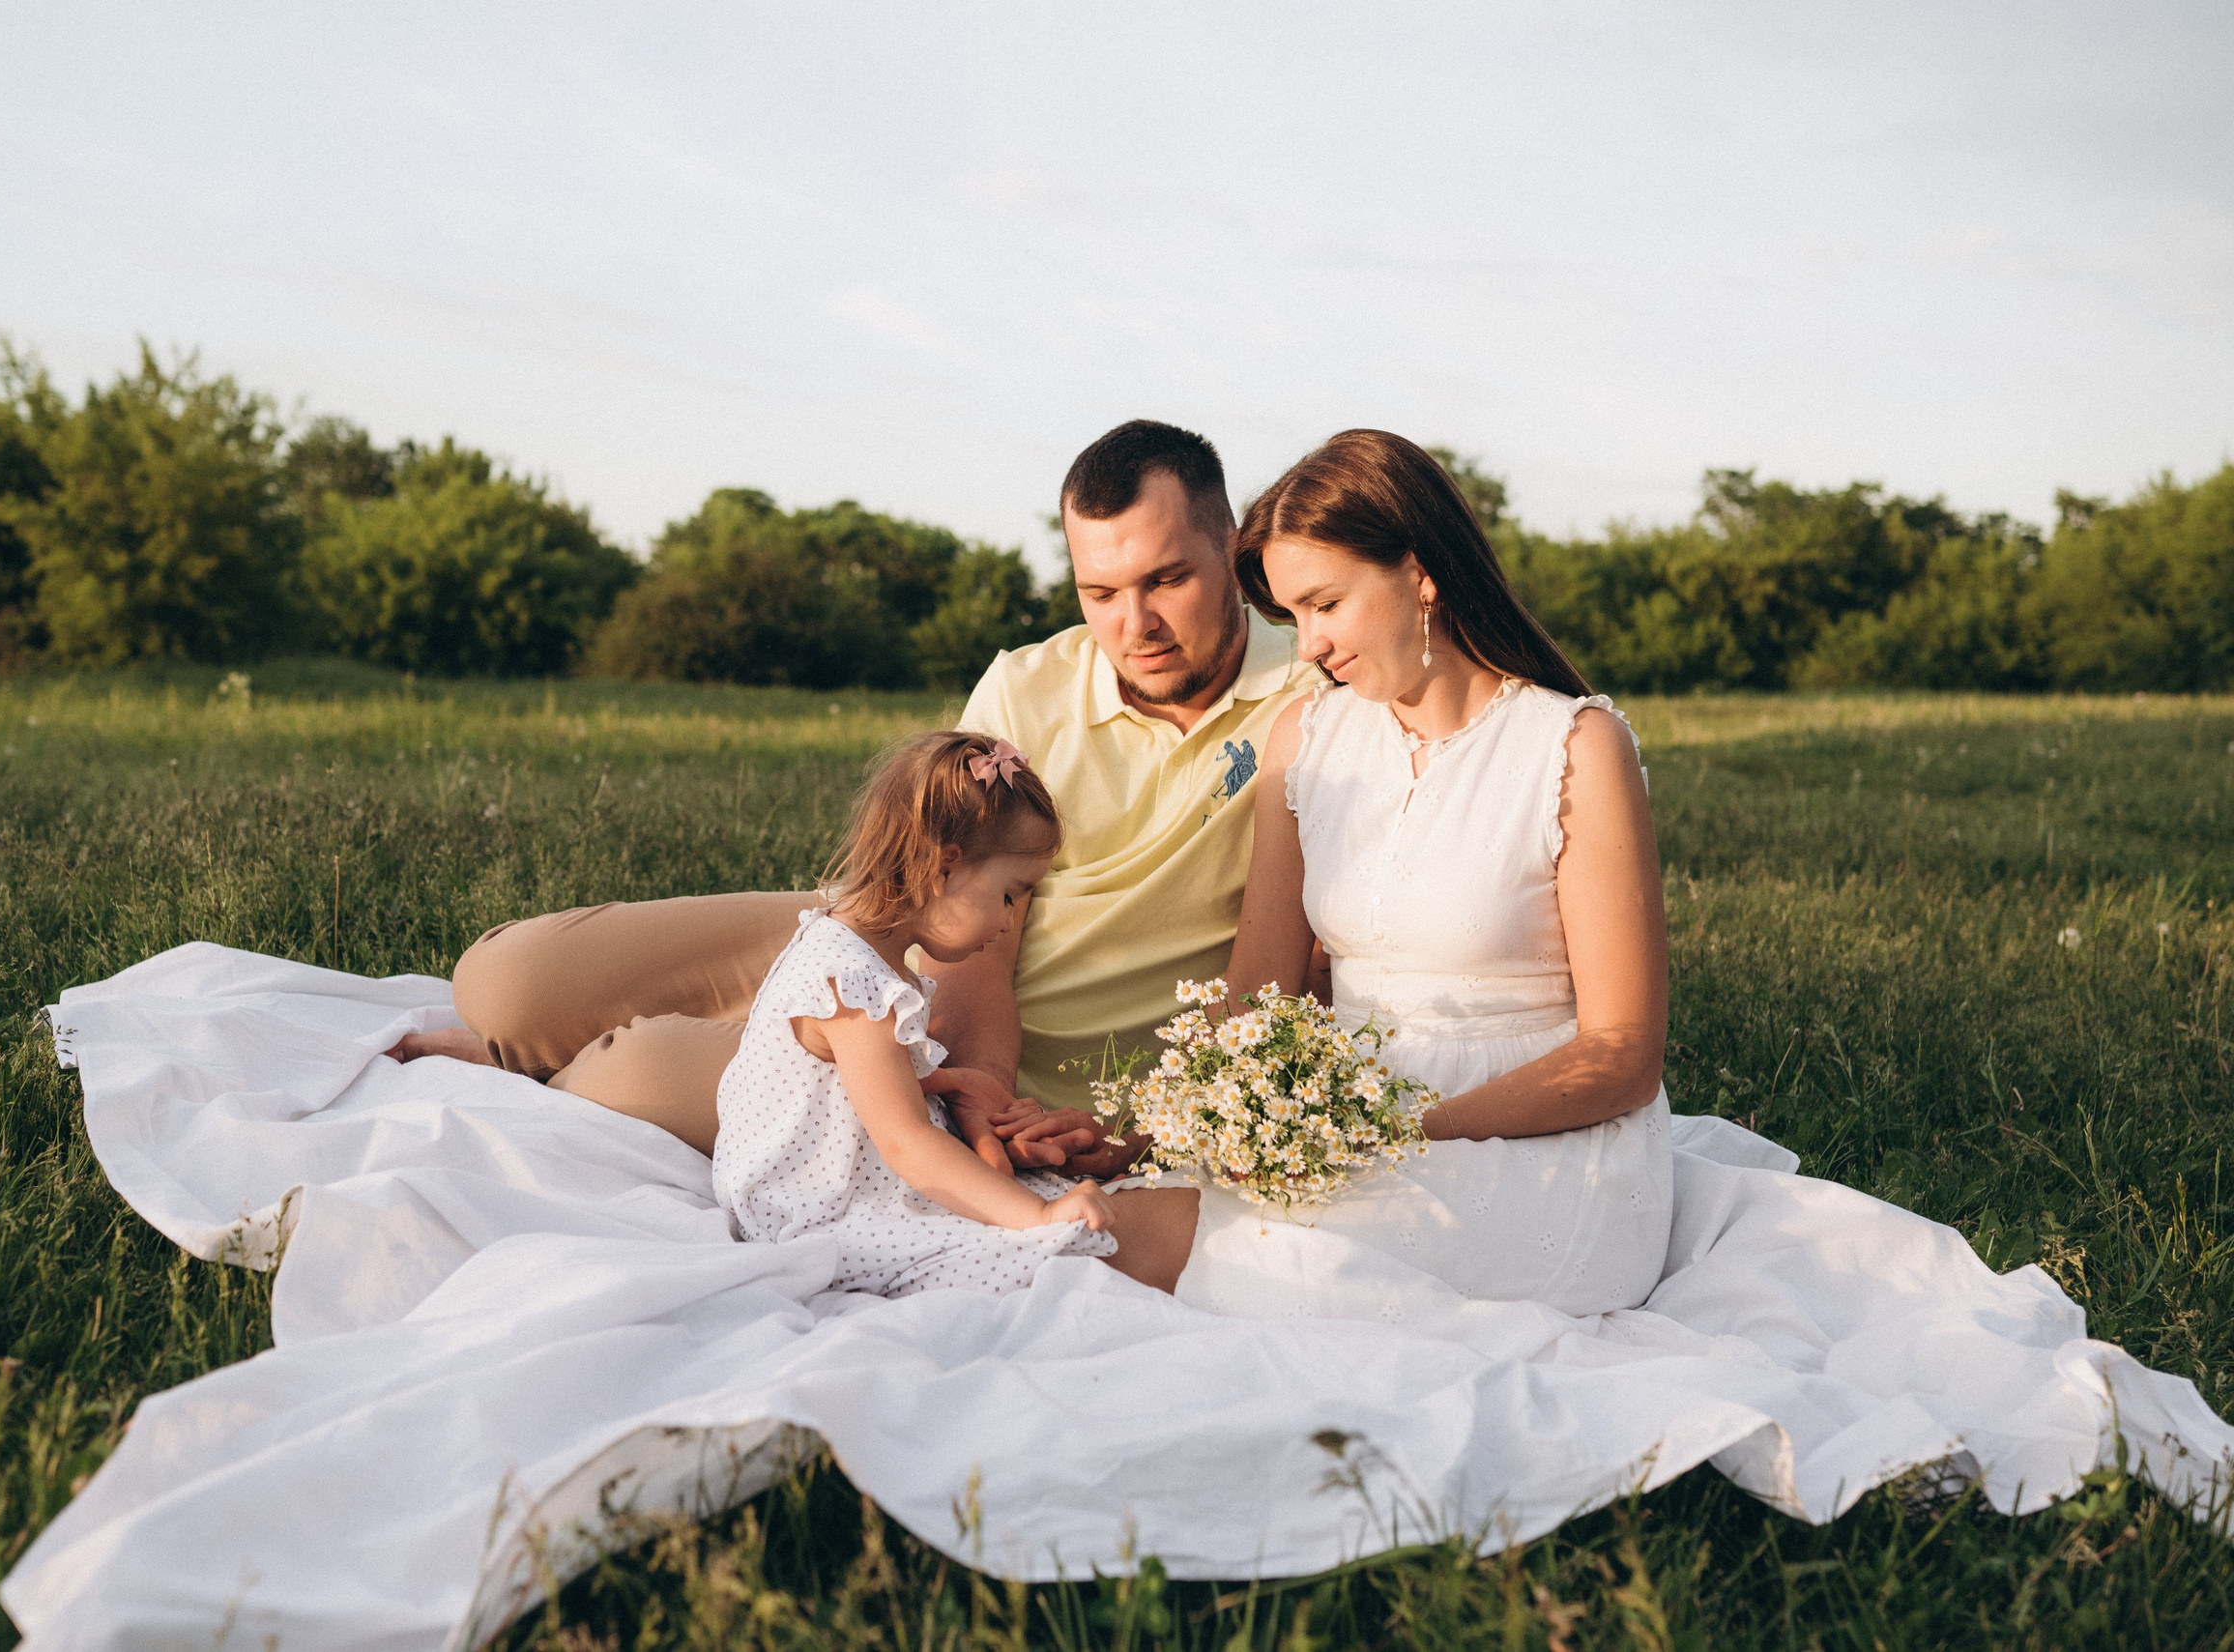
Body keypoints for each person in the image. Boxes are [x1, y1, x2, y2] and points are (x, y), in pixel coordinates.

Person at [392, 421, 1319, 1180]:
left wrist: (975, 1104)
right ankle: (525, 1043)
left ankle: (546, 1075)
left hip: (957, 1065)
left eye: (1167, 580)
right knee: (506, 981)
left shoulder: (1313, 705)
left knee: (629, 1073)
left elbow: (1276, 980)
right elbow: (968, 939)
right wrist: (977, 1076)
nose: (1135, 625)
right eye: (1100, 592)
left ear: (1230, 550)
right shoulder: (1027, 685)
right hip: (896, 944)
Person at [1080, 428, 1679, 1315]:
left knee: (1171, 1257)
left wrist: (1402, 1130)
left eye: (1326, 603)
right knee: (1095, 1227)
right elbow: (1256, 1000)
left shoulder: (1574, 746)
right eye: (1293, 616)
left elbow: (1622, 1055)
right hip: (1337, 1120)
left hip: (1537, 1146)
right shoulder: (1307, 740)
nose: (1309, 644)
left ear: (1420, 571)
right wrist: (1158, 1131)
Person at [715, 730, 1147, 1294]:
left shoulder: (859, 950)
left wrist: (953, 1081)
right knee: (1037, 1252)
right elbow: (906, 1142)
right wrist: (1036, 1218)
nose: (1008, 921)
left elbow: (862, 1084)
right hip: (812, 1206)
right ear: (944, 870)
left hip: (854, 1176)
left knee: (1044, 1213)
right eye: (1011, 895)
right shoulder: (853, 985)